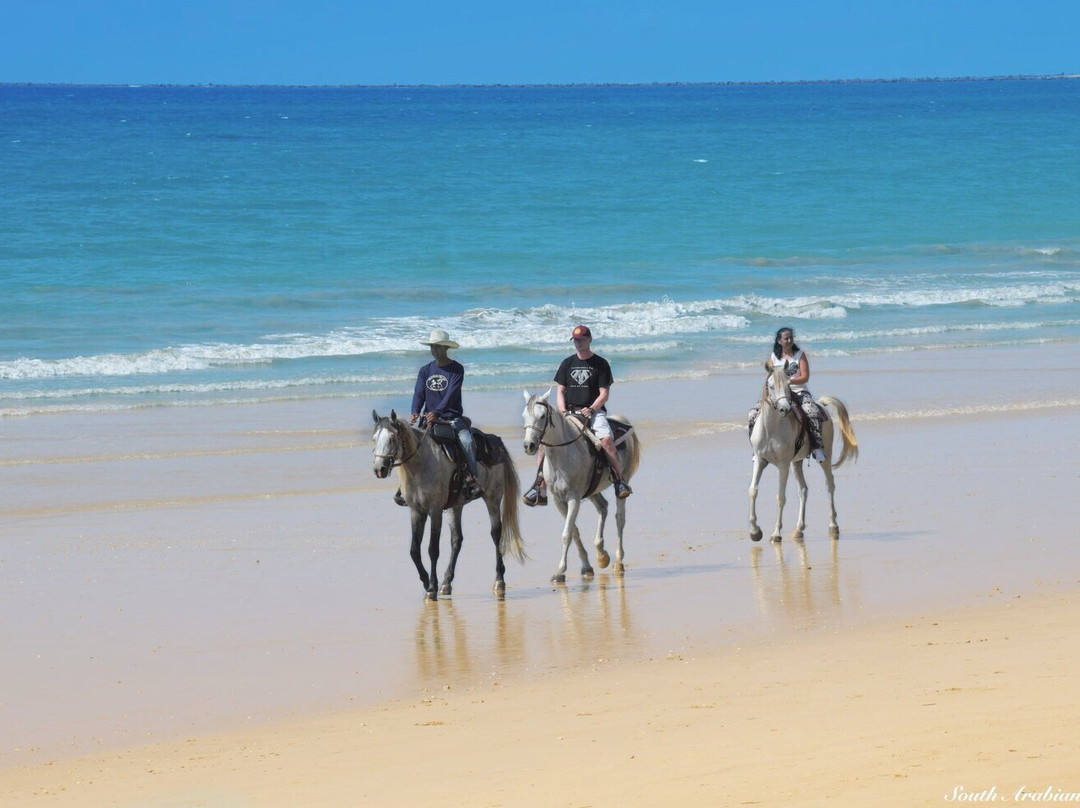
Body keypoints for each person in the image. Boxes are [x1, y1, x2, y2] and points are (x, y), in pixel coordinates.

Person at [523, 324, 632, 505]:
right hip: (569, 412)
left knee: (606, 440)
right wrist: (562, 410)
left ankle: (619, 481)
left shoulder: (601, 364)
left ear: (590, 340)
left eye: (581, 340)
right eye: (575, 340)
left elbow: (604, 393)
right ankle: (539, 486)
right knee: (544, 443)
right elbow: (560, 391)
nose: (578, 343)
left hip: (594, 413)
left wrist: (592, 409)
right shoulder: (567, 363)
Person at [395, 328, 483, 504]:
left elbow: (451, 395)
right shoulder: (425, 370)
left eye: (437, 347)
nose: (434, 350)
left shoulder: (456, 369)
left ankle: (472, 478)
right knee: (409, 445)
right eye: (432, 347)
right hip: (429, 421)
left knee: (467, 441)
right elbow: (419, 393)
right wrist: (415, 411)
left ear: (445, 348)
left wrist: (436, 412)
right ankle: (404, 486)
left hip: (452, 419)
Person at [748, 326, 826, 462]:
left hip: (798, 390)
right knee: (752, 414)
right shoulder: (774, 357)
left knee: (812, 412)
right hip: (778, 393)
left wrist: (788, 381)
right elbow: (769, 379)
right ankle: (756, 449)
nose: (789, 340)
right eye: (786, 338)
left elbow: (805, 377)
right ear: (779, 341)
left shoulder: (800, 355)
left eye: (791, 338)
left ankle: (816, 446)